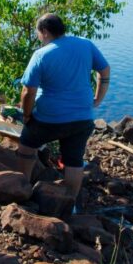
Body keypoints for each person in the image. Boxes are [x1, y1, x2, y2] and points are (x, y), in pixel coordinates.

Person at [16, 13, 111, 207]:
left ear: (44, 31)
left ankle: (23, 189)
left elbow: (28, 92)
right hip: (82, 118)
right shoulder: (85, 44)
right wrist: (97, 99)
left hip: (48, 120)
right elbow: (105, 70)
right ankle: (70, 203)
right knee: (74, 160)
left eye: (38, 32)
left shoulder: (41, 55)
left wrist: (26, 115)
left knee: (26, 145)